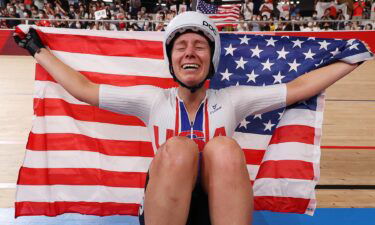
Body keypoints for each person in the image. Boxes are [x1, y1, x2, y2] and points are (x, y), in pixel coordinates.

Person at [14, 11, 365, 225]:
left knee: (225, 148)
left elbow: (299, 87)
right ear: (171, 60)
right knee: (178, 149)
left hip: (219, 205)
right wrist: (36, 49)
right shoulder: (151, 100)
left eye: (200, 45)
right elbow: (84, 89)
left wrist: (354, 57)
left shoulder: (233, 99)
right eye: (181, 47)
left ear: (211, 59)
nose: (190, 52)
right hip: (164, 203)